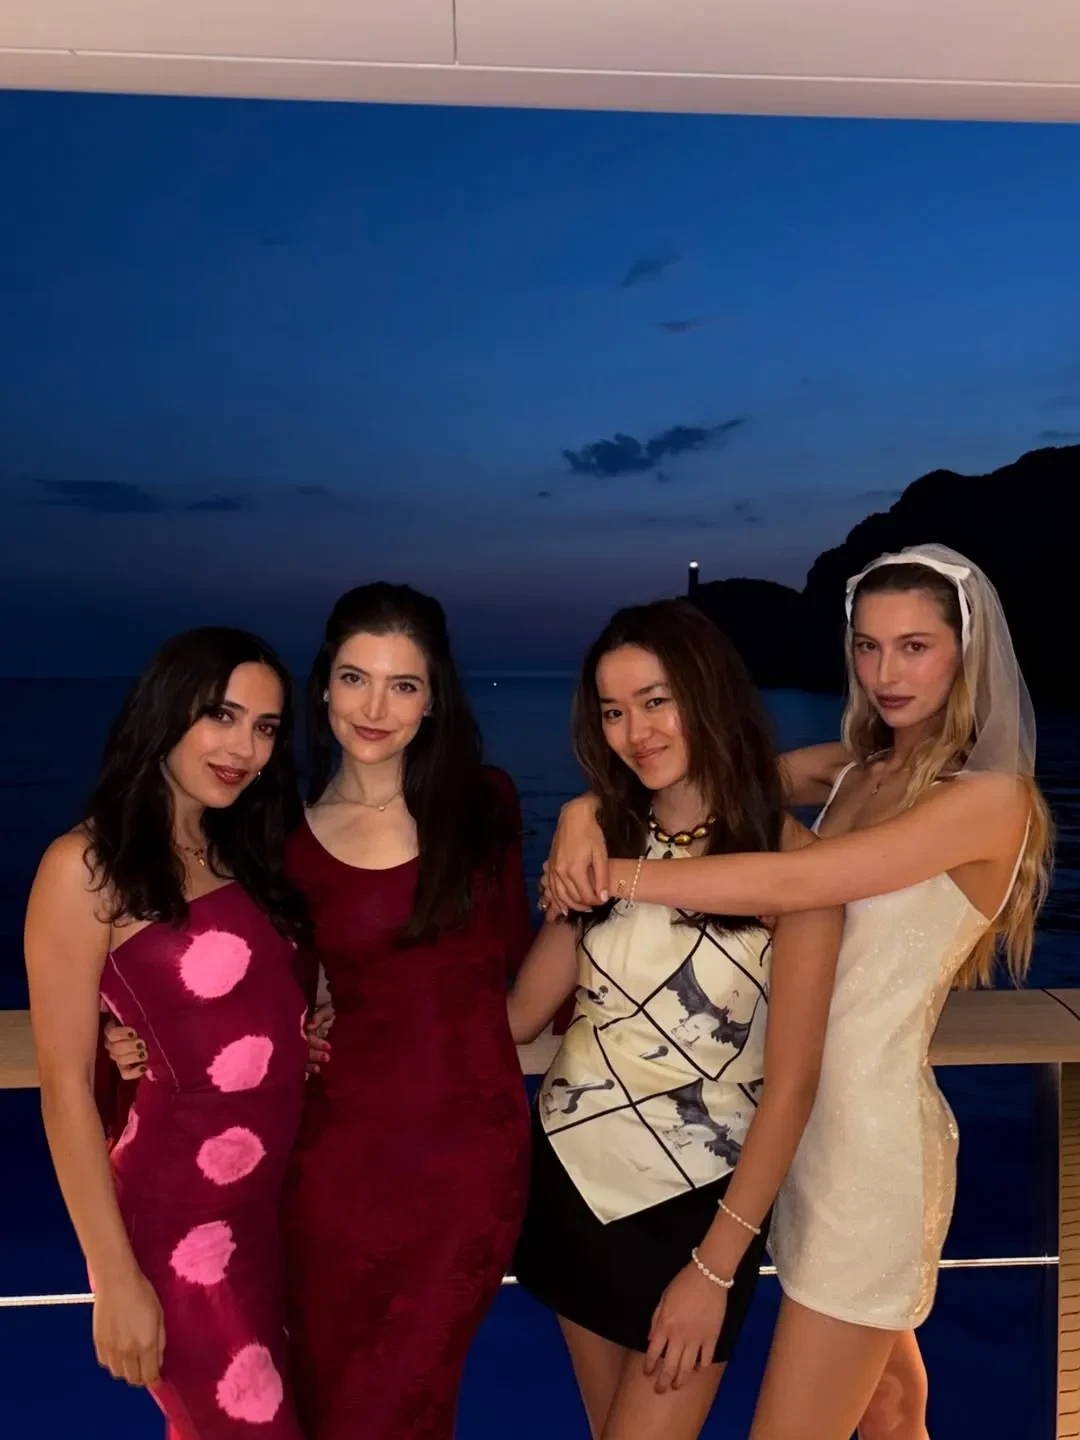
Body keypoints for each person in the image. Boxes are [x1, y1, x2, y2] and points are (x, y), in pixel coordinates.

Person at [543, 546, 1051, 1440]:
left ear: (966, 654)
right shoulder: (856, 770)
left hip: (867, 1157)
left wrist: (605, 876)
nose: (886, 673)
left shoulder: (991, 799)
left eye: (916, 647)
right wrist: (581, 812)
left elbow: (793, 884)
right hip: (783, 1139)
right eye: (867, 646)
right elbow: (694, 781)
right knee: (892, 1409)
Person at [103, 584, 536, 1439]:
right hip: (330, 1165)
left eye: (403, 685)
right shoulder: (275, 839)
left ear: (433, 699)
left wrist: (596, 856)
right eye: (354, 678)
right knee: (329, 1402)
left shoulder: (485, 805)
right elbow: (240, 982)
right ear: (324, 686)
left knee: (405, 1401)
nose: (375, 708)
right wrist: (131, 1035)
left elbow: (516, 980)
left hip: (466, 1168)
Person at [506, 600, 843, 1440]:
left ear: (707, 694)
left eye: (656, 701)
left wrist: (716, 1269)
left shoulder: (797, 867)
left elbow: (793, 1085)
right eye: (613, 711)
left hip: (699, 1209)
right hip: (569, 1178)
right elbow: (518, 1016)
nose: (636, 732)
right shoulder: (602, 842)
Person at [26, 628, 312, 1439]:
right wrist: (115, 1278)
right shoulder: (86, 868)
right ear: (164, 712)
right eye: (221, 715)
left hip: (268, 1214)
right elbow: (64, 1091)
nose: (244, 748)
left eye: (265, 727)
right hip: (177, 1225)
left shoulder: (238, 852)